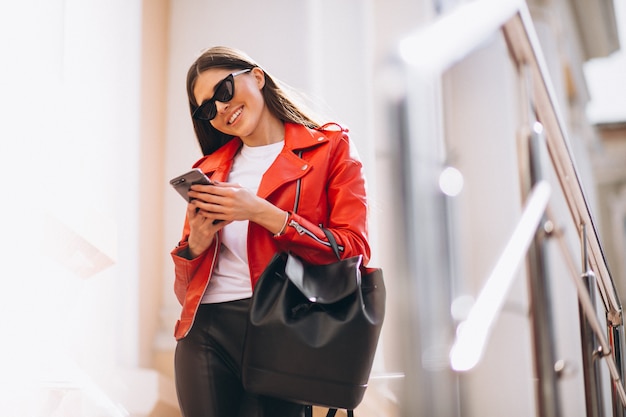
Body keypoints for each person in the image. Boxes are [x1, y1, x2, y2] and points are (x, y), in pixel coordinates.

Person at [171, 46, 371, 417]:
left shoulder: (329, 148)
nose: (221, 108)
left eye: (224, 90)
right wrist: (196, 245)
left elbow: (354, 250)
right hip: (205, 333)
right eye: (207, 108)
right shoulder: (210, 170)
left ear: (257, 77)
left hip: (284, 329)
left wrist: (265, 213)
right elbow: (185, 293)